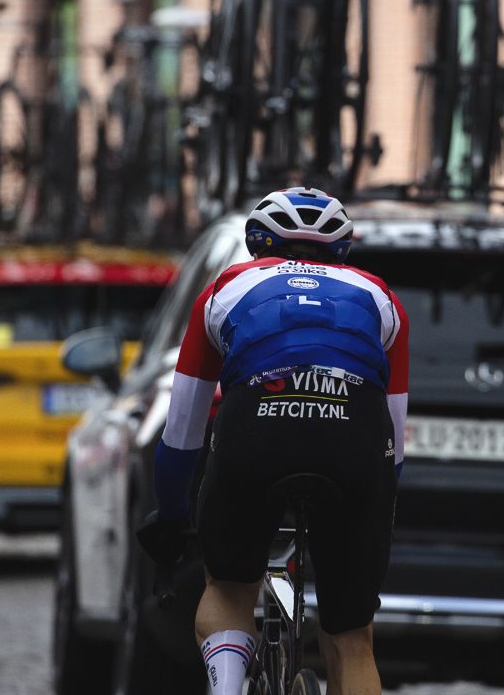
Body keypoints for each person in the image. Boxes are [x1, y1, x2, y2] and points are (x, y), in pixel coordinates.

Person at [139, 188, 409, 695]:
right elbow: (394, 438)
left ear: (258, 244)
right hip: (354, 434)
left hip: (257, 427)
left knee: (229, 586)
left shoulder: (225, 288)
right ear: (341, 249)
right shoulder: (381, 296)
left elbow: (182, 431)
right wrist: (375, 511)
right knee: (352, 637)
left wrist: (172, 517)